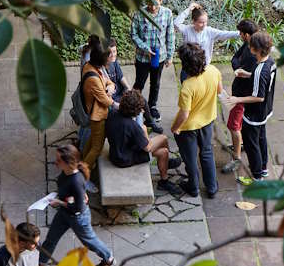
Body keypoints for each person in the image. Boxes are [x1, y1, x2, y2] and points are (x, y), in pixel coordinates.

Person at [39, 145, 116, 266]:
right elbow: (75, 193)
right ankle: (40, 263)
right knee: (51, 238)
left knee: (89, 241)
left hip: (78, 218)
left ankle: (108, 258)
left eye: (59, 160)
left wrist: (59, 202)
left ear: (69, 163)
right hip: (65, 213)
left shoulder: (75, 180)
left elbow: (78, 207)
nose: (55, 162)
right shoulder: (66, 172)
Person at [170, 43, 222, 199]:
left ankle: (193, 187)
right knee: (206, 152)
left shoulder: (187, 86)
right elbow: (219, 90)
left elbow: (184, 114)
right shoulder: (213, 71)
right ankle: (211, 188)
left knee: (190, 158)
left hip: (188, 128)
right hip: (208, 120)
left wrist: (175, 128)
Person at [106, 90, 183, 195]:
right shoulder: (132, 126)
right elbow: (147, 147)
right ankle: (164, 181)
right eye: (140, 109)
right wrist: (144, 130)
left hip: (116, 153)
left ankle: (165, 162)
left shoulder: (112, 113)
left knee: (163, 140)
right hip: (125, 159)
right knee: (163, 150)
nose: (142, 110)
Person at [226, 32, 276, 183]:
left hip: (254, 114)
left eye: (250, 46)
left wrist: (237, 99)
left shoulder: (260, 70)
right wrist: (248, 74)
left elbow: (258, 97)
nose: (248, 47)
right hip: (265, 111)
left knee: (251, 145)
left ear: (256, 49)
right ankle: (263, 168)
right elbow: (263, 80)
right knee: (261, 139)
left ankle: (256, 176)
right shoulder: (271, 61)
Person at [130, 0, 175, 123]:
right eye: (149, 3)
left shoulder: (167, 13)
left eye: (156, 3)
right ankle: (133, 106)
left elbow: (170, 35)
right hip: (142, 57)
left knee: (155, 83)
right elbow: (133, 35)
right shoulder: (139, 13)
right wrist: (145, 49)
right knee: (139, 83)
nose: (153, 7)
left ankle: (152, 107)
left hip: (159, 57)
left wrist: (170, 56)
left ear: (161, 0)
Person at [221, 19, 259, 174]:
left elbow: (241, 68)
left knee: (233, 126)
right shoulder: (249, 43)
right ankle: (240, 144)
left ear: (247, 35)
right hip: (239, 91)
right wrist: (238, 68)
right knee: (239, 123)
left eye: (241, 34)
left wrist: (239, 69)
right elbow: (234, 58)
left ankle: (236, 158)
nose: (240, 36)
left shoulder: (252, 53)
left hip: (242, 96)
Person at [173, 2, 240, 81]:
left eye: (205, 22)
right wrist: (189, 9)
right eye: (201, 22)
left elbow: (225, 34)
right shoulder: (187, 30)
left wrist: (240, 33)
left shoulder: (209, 31)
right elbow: (176, 23)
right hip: (188, 67)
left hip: (204, 68)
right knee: (187, 87)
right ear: (193, 21)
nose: (204, 24)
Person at [106, 39, 161, 133]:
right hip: (113, 99)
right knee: (134, 106)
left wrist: (129, 89)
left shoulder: (114, 62)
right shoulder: (103, 68)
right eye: (109, 53)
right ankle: (138, 131)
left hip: (121, 92)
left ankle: (150, 122)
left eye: (114, 51)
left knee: (141, 100)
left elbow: (121, 77)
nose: (113, 54)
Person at [81, 43, 117, 176]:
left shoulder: (90, 66)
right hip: (97, 116)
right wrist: (118, 105)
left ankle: (82, 162)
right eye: (108, 56)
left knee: (92, 141)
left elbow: (107, 81)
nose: (110, 58)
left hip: (96, 112)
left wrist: (111, 86)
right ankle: (82, 174)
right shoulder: (93, 78)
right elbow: (105, 100)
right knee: (97, 148)